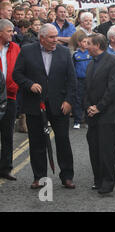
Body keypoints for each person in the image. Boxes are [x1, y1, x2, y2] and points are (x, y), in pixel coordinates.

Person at [13, 24, 77, 189]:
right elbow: (17, 74)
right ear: (41, 38)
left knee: (63, 141)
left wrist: (69, 101)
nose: (55, 40)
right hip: (35, 104)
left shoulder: (64, 52)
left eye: (56, 36)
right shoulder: (27, 50)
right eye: (51, 37)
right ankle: (39, 177)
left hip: (59, 104)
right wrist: (29, 84)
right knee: (37, 142)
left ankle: (67, 176)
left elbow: (72, 80)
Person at [84, 33, 115, 194]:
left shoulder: (114, 62)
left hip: (108, 114)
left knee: (106, 150)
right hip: (92, 114)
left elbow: (113, 89)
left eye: (88, 43)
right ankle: (98, 179)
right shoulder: (91, 63)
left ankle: (108, 181)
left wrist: (99, 107)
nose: (86, 46)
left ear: (97, 45)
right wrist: (88, 107)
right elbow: (86, 88)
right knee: (94, 148)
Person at [0, 20, 20, 181]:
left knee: (7, 134)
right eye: (9, 31)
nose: (12, 33)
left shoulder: (15, 48)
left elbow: (19, 70)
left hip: (10, 96)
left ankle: (6, 168)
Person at [72, 34, 92, 129]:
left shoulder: (90, 53)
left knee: (88, 100)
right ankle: (77, 120)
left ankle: (88, 120)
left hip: (89, 80)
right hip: (79, 81)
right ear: (79, 43)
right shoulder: (75, 55)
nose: (86, 44)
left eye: (87, 42)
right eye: (84, 42)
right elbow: (72, 68)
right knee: (78, 100)